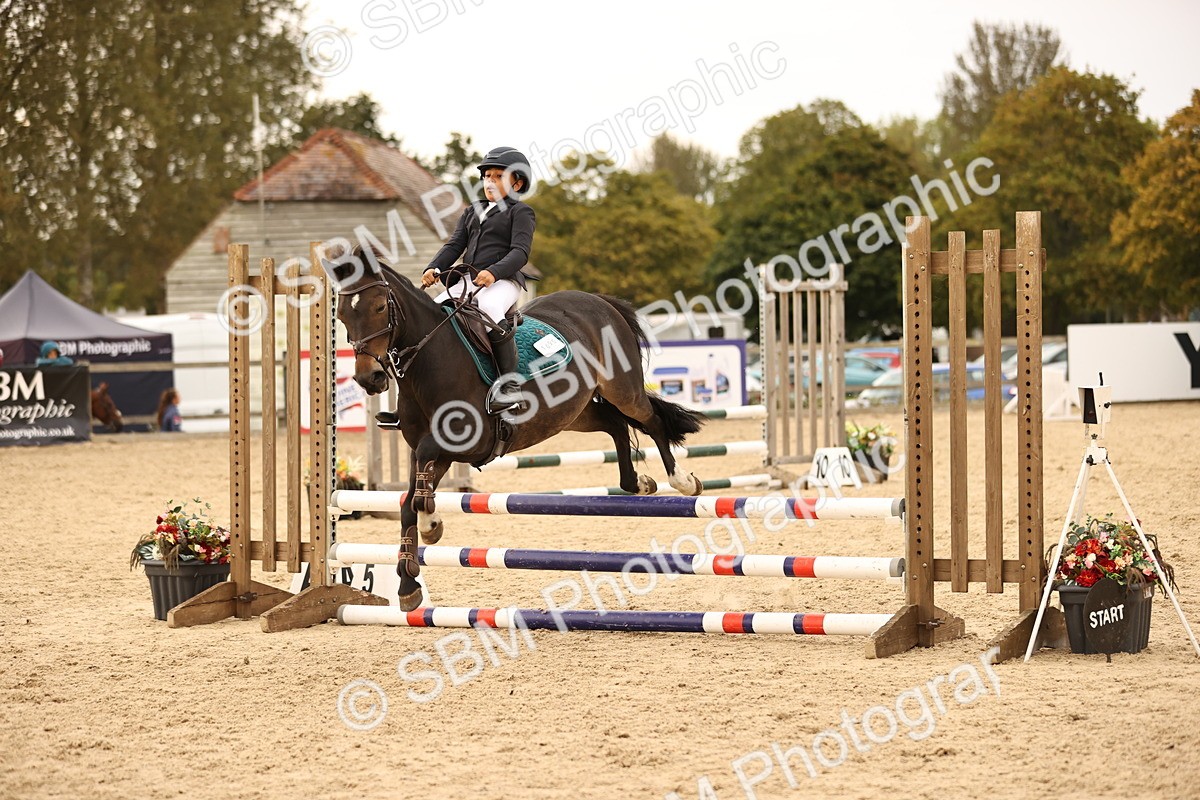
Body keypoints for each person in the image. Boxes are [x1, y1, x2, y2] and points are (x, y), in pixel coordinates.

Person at [421, 146, 536, 415]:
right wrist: (434, 267)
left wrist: (494, 272)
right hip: (468, 279)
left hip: (504, 280)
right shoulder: (472, 211)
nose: (490, 182)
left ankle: (509, 387)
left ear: (517, 183)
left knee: (490, 310)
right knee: (432, 314)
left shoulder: (521, 212)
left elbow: (520, 252)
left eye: (498, 176)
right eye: (487, 176)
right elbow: (454, 245)